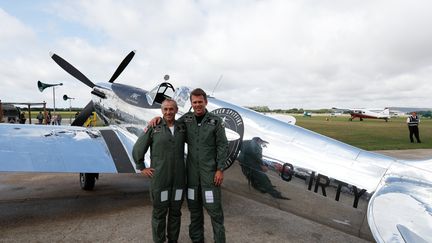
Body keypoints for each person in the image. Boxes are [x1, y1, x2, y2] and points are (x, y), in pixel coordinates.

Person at [149, 88, 229, 243]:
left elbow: (222, 146)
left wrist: (220, 169)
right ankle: (197, 240)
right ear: (191, 104)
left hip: (210, 175)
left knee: (215, 213)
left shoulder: (216, 121)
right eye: (195, 102)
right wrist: (157, 118)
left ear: (206, 102)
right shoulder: (186, 120)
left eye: (200, 102)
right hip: (192, 176)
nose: (198, 105)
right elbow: (170, 123)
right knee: (195, 211)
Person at [132, 99, 186, 243]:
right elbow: (138, 147)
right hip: (160, 179)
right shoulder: (154, 126)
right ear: (162, 111)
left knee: (175, 213)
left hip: (179, 180)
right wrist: (141, 166)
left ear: (176, 110)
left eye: (171, 109)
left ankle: (173, 240)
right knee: (159, 213)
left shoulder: (182, 127)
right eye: (165, 109)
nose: (168, 112)